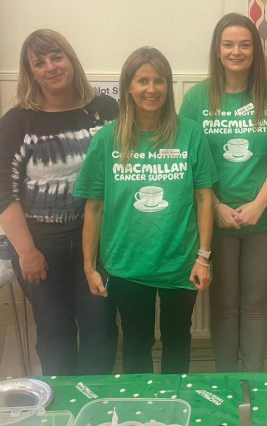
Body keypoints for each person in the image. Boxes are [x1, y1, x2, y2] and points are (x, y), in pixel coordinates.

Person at [75, 46, 217, 374]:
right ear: (128, 87)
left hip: (180, 262)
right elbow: (93, 208)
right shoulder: (107, 139)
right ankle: (140, 412)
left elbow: (204, 199)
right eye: (142, 81)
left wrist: (203, 257)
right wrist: (89, 267)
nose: (151, 89)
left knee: (178, 338)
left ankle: (174, 409)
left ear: (168, 86)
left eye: (159, 81)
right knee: (136, 342)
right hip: (126, 265)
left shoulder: (191, 133)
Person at [0, 29, 118, 376]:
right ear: (30, 74)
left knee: (100, 329)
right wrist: (26, 252)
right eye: (39, 63)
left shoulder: (105, 111)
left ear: (70, 59)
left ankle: (97, 407)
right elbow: (1, 192)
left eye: (56, 57)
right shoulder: (17, 122)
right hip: (40, 245)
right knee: (55, 333)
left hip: (98, 241)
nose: (50, 67)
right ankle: (63, 411)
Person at [179, 13, 267, 372]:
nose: (236, 51)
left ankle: (253, 382)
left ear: (255, 50)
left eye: (244, 44)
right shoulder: (196, 99)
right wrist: (218, 205)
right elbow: (190, 164)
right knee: (223, 306)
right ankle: (226, 385)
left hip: (265, 219)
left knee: (255, 304)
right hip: (215, 219)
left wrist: (259, 204)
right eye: (228, 44)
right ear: (217, 49)